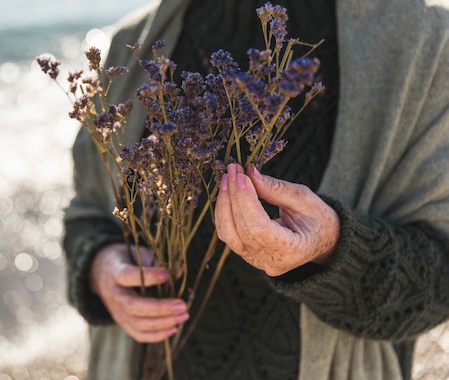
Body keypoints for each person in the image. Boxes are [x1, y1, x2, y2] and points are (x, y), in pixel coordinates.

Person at [62, 0, 449, 379]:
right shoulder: (137, 42)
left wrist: (334, 248)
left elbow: (440, 276)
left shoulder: (425, 42)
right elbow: (88, 213)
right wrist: (101, 266)